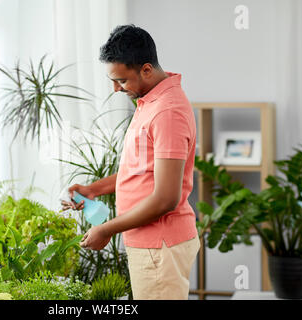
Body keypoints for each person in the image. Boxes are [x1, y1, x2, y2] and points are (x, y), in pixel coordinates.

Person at [61, 24, 200, 300]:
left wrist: (106, 229)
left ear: (146, 70)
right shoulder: (149, 101)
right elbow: (140, 171)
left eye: (122, 81)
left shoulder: (167, 112)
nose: (115, 88)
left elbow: (165, 198)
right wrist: (93, 190)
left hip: (159, 246)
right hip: (151, 245)